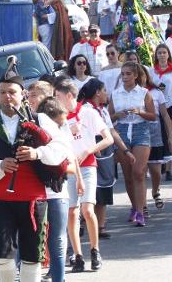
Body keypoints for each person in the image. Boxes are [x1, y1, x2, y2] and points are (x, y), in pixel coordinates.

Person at [0, 68, 69, 282]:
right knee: (2, 258)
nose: (7, 97)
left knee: (32, 258)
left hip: (34, 199)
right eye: (3, 92)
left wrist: (37, 153)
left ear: (22, 93)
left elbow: (62, 147)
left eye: (12, 92)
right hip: (1, 199)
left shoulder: (39, 119)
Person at [55, 78, 113, 272]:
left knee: (87, 210)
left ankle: (95, 250)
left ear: (69, 96)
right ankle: (77, 255)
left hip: (87, 166)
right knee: (72, 212)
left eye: (58, 96)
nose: (55, 100)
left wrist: (88, 150)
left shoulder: (88, 112)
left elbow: (108, 138)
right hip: (69, 168)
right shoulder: (58, 119)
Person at [78, 79, 134, 240]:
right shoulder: (86, 110)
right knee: (91, 188)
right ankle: (83, 221)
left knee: (105, 186)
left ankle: (101, 225)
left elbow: (111, 132)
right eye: (104, 90)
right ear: (97, 92)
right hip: (92, 149)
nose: (106, 94)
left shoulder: (102, 111)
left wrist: (125, 150)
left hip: (106, 149)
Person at [35, 95, 82, 282]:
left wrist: (57, 166)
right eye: (60, 122)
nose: (63, 126)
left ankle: (59, 278)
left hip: (58, 193)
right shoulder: (33, 135)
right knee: (34, 240)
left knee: (58, 240)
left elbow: (70, 165)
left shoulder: (62, 136)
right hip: (37, 193)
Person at [108, 62, 156, 227]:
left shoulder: (144, 93)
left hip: (140, 129)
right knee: (128, 175)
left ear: (135, 75)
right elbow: (109, 118)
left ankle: (141, 211)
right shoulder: (115, 94)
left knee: (139, 172)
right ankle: (135, 207)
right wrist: (117, 115)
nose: (125, 77)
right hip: (122, 131)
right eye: (123, 74)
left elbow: (153, 116)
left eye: (128, 74)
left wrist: (140, 112)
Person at [140, 66, 172, 211]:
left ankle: (155, 190)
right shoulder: (132, 93)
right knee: (141, 171)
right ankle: (142, 204)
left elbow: (165, 115)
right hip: (139, 132)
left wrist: (170, 134)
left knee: (156, 171)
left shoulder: (156, 92)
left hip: (156, 132)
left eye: (141, 75)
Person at [151, 44, 172, 181]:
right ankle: (161, 161)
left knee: (167, 133)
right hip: (156, 106)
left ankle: (169, 167)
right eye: (159, 53)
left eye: (164, 52)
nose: (162, 55)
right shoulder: (151, 71)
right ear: (156, 55)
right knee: (159, 134)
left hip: (170, 105)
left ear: (168, 54)